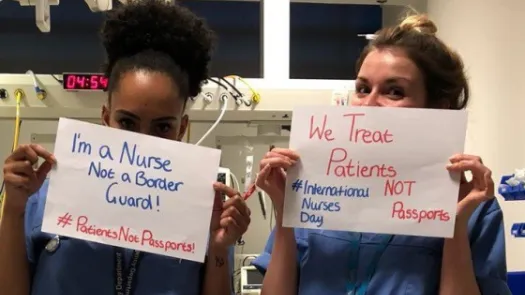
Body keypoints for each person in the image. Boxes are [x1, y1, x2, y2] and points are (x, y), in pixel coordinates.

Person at [0, 1, 251, 295]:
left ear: (181, 128)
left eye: (162, 127)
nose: (141, 140)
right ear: (106, 117)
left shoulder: (203, 213)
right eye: (127, 123)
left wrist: (220, 248)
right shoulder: (45, 197)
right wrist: (13, 210)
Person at [253, 14, 511, 295]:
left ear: (439, 108)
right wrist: (284, 210)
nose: (369, 104)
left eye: (394, 92)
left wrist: (455, 225)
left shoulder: (473, 205)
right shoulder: (314, 191)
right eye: (363, 89)